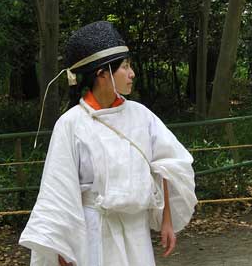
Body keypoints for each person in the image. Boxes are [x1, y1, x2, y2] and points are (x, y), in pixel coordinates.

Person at [19, 21, 197, 266]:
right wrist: (61, 246)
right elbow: (58, 189)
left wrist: (166, 219)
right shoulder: (71, 124)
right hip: (94, 232)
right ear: (102, 74)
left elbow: (168, 163)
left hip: (136, 233)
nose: (132, 73)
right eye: (125, 67)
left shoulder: (141, 116)